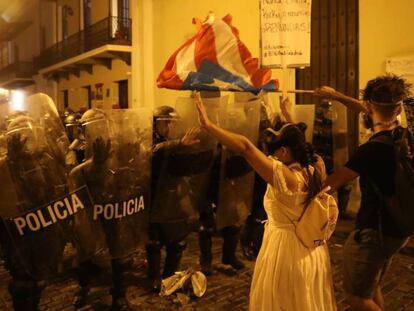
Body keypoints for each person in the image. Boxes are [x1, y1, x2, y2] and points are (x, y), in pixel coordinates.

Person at [194, 93, 337, 311]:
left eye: (276, 151)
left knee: (281, 301)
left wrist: (209, 125)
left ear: (284, 151)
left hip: (286, 251)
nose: (274, 157)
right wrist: (287, 113)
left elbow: (245, 147)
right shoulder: (316, 167)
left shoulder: (286, 179)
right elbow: (300, 142)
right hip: (310, 252)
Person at [315, 74, 412, 311]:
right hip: (400, 228)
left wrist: (315, 167)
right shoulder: (405, 137)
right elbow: (370, 109)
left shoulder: (369, 151)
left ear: (369, 107)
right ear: (399, 107)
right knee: (372, 286)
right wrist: (336, 96)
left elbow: (330, 184)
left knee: (357, 297)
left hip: (374, 232)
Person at [147, 105, 201, 292]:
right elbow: (152, 151)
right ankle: (153, 277)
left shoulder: (180, 140)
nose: (169, 126)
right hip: (154, 196)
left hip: (175, 196)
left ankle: (169, 276)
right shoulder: (147, 139)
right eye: (165, 122)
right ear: (155, 125)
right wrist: (178, 144)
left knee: (177, 241)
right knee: (154, 242)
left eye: (172, 122)